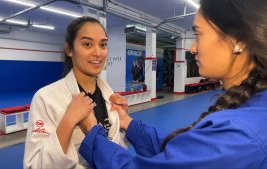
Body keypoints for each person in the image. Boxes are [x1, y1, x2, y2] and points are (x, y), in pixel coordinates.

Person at [70, 0, 267, 168]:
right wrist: (127, 123)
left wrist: (92, 132)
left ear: (237, 40)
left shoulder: (240, 136)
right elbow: (182, 151)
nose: (192, 48)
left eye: (199, 34)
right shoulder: (254, 110)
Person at [23, 16, 128, 169]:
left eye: (103, 45)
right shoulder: (46, 98)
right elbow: (34, 166)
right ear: (69, 50)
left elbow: (119, 153)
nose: (98, 53)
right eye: (87, 44)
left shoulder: (109, 96)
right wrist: (69, 121)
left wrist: (123, 124)